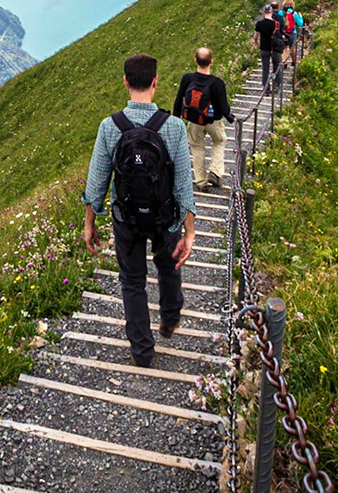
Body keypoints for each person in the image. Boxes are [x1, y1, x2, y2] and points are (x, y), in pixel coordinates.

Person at [84, 54, 196, 366]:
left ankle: (142, 351)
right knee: (169, 264)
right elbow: (184, 185)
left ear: (125, 82)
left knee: (132, 281)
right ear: (156, 82)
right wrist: (189, 231)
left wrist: (89, 223)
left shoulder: (110, 127)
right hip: (165, 218)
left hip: (126, 219)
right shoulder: (173, 126)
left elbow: (97, 183)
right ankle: (171, 316)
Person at [172, 47, 233, 191]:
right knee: (219, 141)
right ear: (211, 61)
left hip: (194, 120)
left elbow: (178, 100)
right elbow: (224, 108)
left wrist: (175, 118)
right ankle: (215, 171)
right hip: (214, 121)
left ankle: (200, 181)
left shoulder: (188, 79)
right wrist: (230, 116)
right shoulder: (217, 83)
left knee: (196, 147)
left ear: (196, 61)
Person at [255, 5, 281, 84]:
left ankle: (266, 88)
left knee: (265, 68)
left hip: (264, 48)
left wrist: (256, 43)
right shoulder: (276, 24)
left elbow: (255, 36)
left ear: (263, 12)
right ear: (271, 12)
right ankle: (276, 84)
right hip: (275, 48)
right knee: (276, 66)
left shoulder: (259, 23)